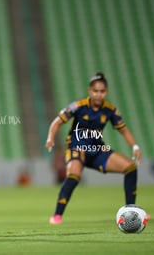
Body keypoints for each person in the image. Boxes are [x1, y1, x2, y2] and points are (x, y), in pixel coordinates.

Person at [45, 72, 142, 225]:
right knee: (74, 175)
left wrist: (135, 146)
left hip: (97, 150)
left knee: (130, 168)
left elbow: (123, 129)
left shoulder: (110, 110)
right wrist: (51, 138)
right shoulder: (78, 106)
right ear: (90, 91)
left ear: (106, 92)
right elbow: (57, 122)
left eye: (102, 91)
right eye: (95, 91)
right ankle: (57, 215)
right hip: (76, 148)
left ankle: (131, 212)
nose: (98, 95)